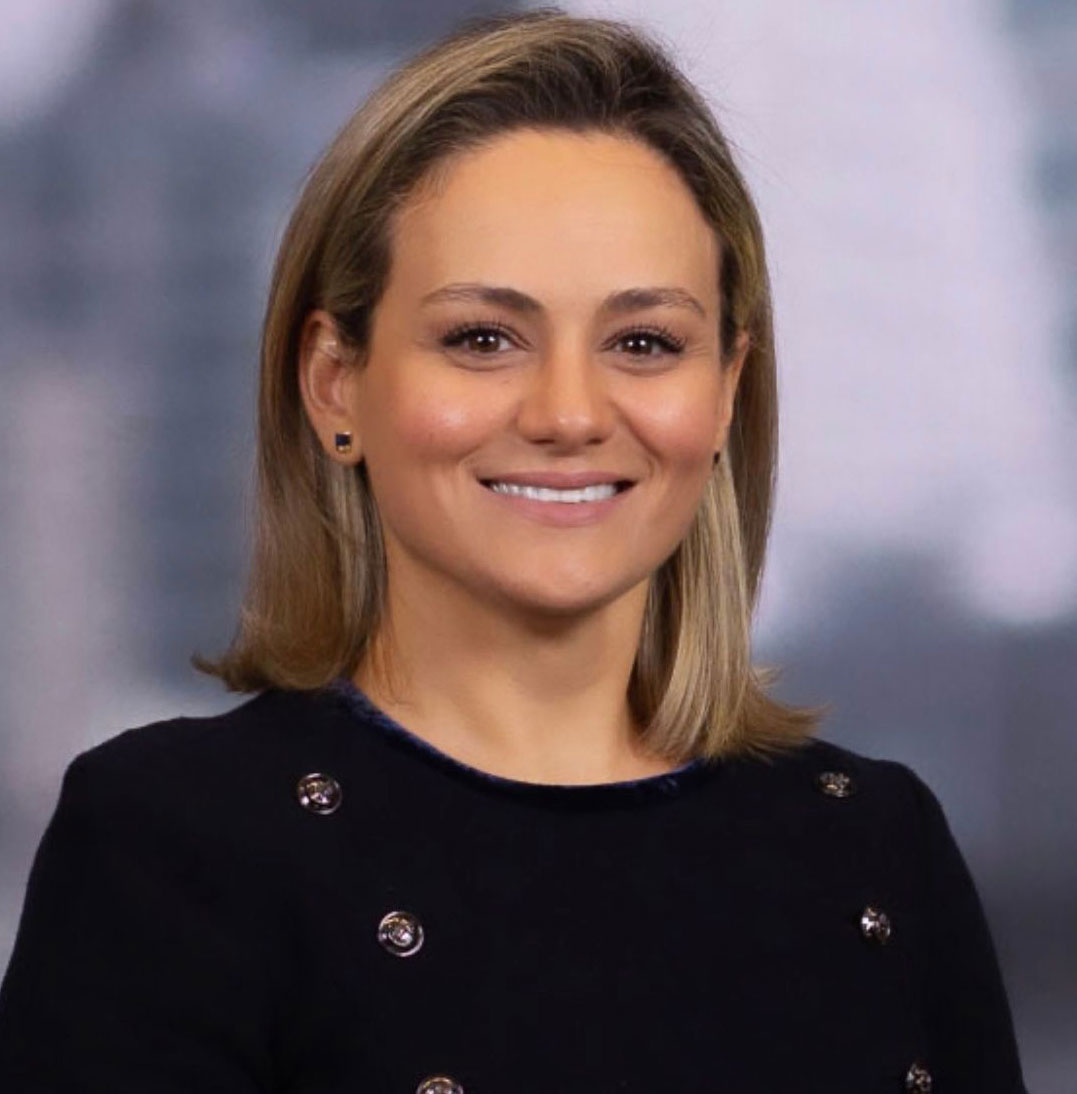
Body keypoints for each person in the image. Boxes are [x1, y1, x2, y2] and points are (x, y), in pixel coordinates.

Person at [0, 8, 1028, 1093]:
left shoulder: (878, 844)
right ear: (335, 383)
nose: (569, 413)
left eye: (644, 342)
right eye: (483, 338)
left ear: (726, 390)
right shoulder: (169, 843)